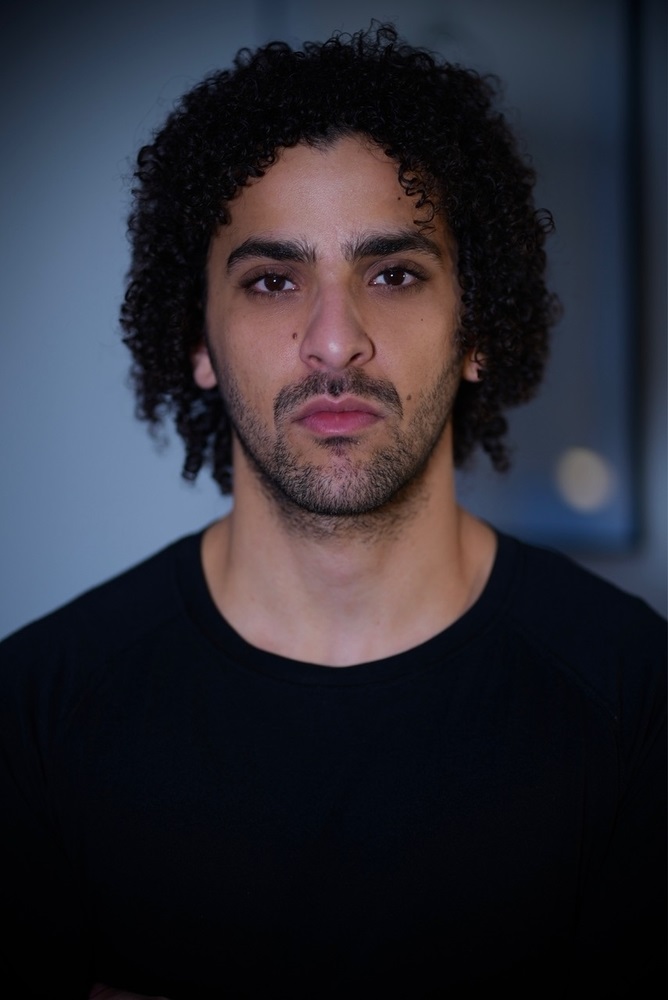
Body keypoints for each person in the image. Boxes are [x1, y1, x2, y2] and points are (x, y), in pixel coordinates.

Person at [1, 23, 665, 1000]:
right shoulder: (33, 711)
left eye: (392, 274)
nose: (333, 341)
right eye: (273, 281)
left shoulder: (637, 698)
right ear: (198, 341)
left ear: (475, 330)